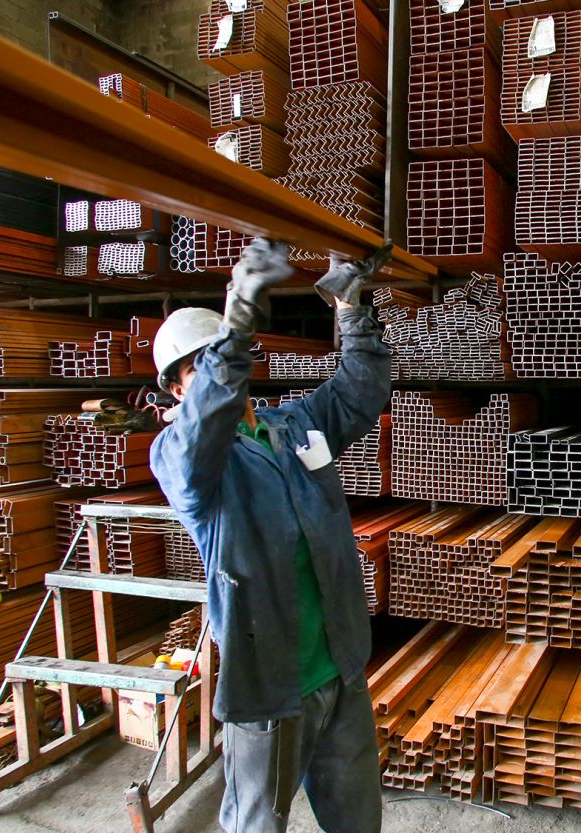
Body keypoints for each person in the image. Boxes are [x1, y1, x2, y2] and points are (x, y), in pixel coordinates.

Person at [149, 238, 393, 833]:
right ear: (178, 389)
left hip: (339, 663)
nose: (218, 373)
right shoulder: (183, 458)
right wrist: (233, 323)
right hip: (271, 684)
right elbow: (207, 422)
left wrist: (351, 308)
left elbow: (360, 393)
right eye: (198, 367)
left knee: (358, 819)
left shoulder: (292, 427)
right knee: (257, 823)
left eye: (227, 358)